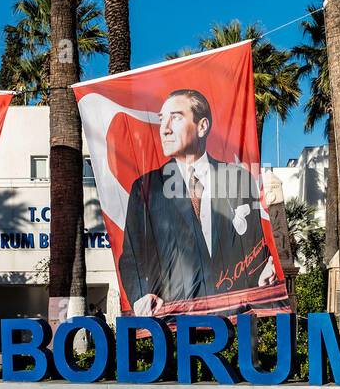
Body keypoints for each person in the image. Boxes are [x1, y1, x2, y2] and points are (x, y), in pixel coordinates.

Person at [118, 89, 277, 316]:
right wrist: (141, 296)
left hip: (233, 316)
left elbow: (253, 244)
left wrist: (263, 273)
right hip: (173, 320)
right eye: (162, 120)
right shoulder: (146, 187)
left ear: (202, 126)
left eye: (176, 117)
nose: (165, 129)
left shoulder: (237, 179)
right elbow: (131, 255)